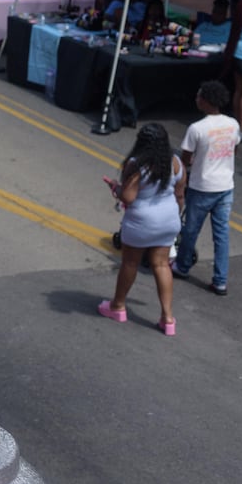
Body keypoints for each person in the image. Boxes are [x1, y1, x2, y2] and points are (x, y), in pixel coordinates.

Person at [99, 123, 184, 335]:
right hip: (169, 220)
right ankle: (168, 318)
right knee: (162, 265)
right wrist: (174, 216)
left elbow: (128, 197)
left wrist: (115, 187)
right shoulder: (175, 162)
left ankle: (117, 306)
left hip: (141, 223)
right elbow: (180, 195)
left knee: (130, 263)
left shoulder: (136, 164)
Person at [173, 79, 236, 296]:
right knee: (221, 234)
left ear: (207, 101)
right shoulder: (233, 124)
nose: (196, 98)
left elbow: (185, 159)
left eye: (199, 95)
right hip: (226, 185)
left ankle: (182, 267)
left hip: (202, 186)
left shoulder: (196, 129)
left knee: (190, 230)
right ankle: (220, 280)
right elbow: (232, 149)